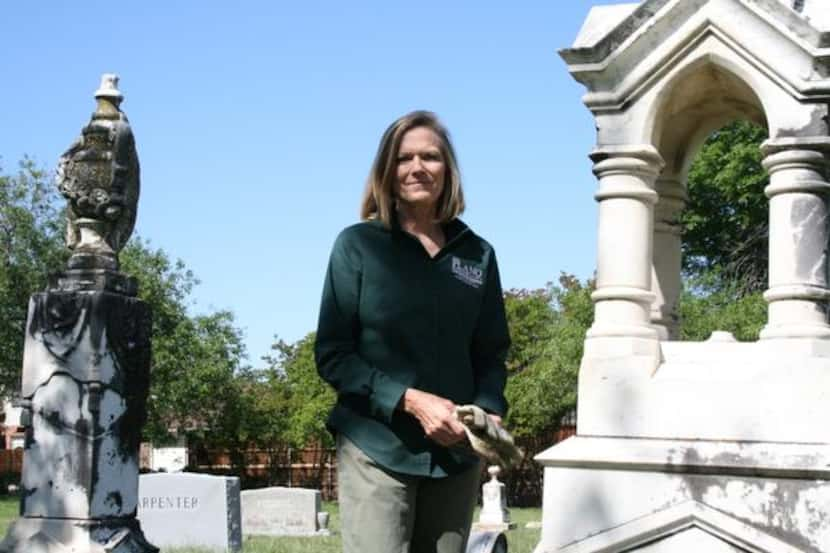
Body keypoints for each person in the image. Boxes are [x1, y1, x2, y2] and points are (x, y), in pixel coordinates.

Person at [315, 110, 510, 553]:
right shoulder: (358, 246)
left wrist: (486, 411)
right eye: (404, 158)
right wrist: (411, 400)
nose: (417, 167)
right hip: (377, 446)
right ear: (387, 170)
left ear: (448, 170)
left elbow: (491, 352)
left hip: (455, 456)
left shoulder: (477, 255)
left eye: (430, 156)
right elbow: (334, 355)